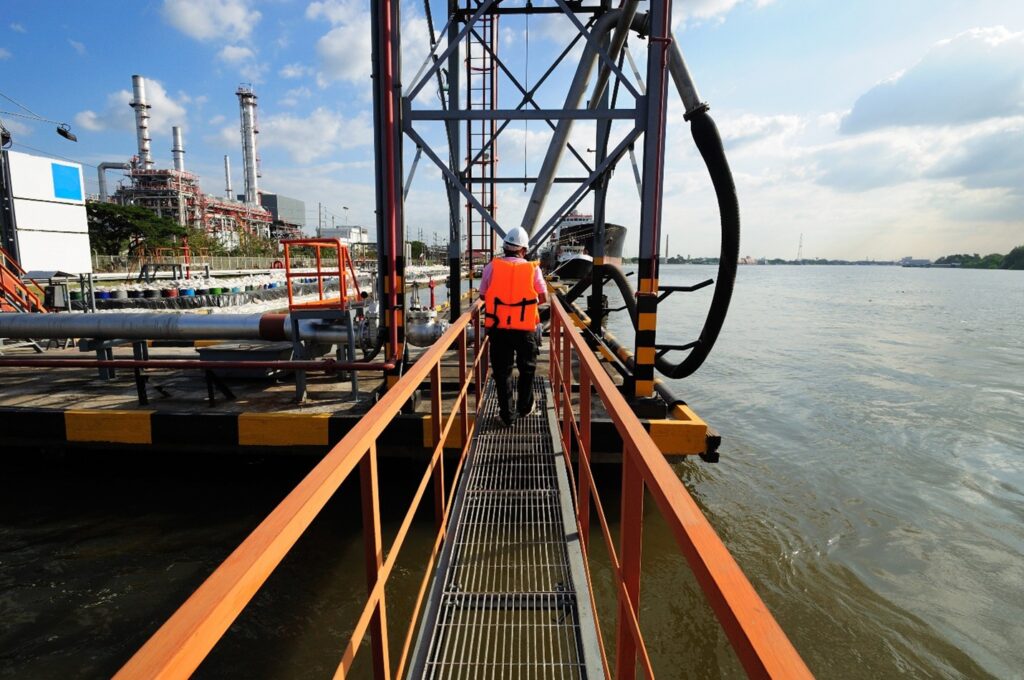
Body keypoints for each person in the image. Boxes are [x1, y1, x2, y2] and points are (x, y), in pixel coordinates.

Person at [479, 226, 547, 427]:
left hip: (499, 329)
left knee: (502, 372)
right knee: (527, 370)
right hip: (525, 328)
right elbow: (543, 297)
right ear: (523, 250)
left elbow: (483, 295)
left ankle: (507, 416)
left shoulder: (491, 267)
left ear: (506, 247)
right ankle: (525, 408)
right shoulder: (533, 268)